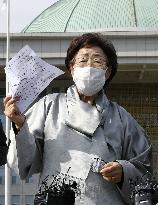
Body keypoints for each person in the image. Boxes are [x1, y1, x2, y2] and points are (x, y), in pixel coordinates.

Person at [4, 33, 152, 205]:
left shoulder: (122, 118)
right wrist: (20, 125)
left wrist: (124, 172)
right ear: (71, 68)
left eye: (97, 61)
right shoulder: (49, 106)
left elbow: (144, 170)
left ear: (108, 71)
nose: (89, 66)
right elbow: (23, 164)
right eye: (82, 60)